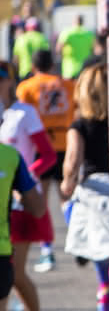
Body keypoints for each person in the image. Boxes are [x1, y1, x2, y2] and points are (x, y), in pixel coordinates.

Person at [58, 62, 109, 311]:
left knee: (104, 284)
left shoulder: (79, 127)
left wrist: (66, 188)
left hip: (96, 198)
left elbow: (71, 165)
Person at [0, 60, 55, 311]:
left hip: (21, 200)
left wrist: (27, 178)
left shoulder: (24, 113)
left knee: (15, 272)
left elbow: (47, 154)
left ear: (11, 81)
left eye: (1, 76)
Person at [16, 47, 73, 273]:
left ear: (33, 66)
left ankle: (47, 250)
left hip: (41, 148)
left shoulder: (26, 87)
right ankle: (77, 239)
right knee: (66, 197)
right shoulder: (68, 84)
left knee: (42, 198)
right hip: (66, 144)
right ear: (52, 64)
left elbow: (20, 115)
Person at [0, 135, 47, 311]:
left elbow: (47, 154)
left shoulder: (10, 156)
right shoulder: (10, 156)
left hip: (6, 242)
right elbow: (37, 208)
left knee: (17, 275)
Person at [55, 14, 95, 81]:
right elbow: (96, 50)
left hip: (70, 70)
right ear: (83, 22)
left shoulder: (67, 33)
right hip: (85, 70)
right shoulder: (89, 34)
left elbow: (58, 49)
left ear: (74, 21)